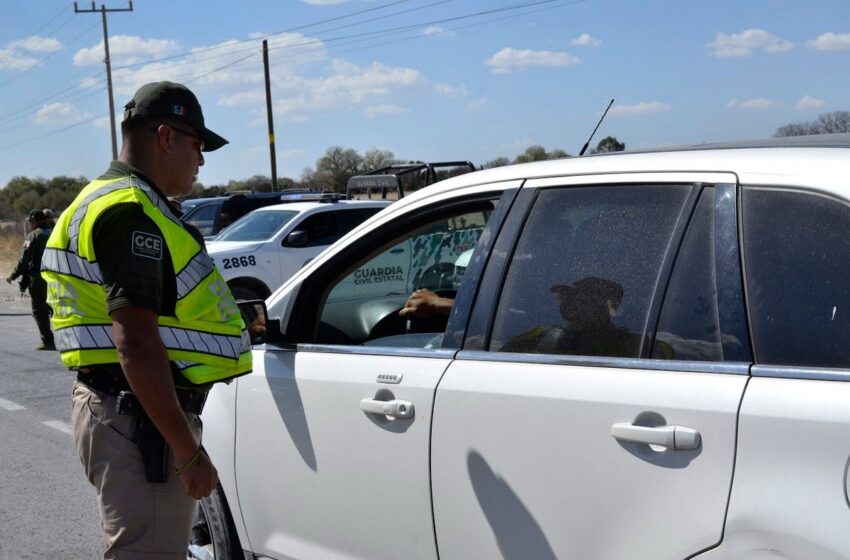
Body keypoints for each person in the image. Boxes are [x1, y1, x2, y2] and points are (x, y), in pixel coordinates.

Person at [40, 81, 252, 559]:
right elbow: (134, 341)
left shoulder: (103, 197)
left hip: (125, 411)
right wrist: (187, 451)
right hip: (141, 422)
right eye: (197, 146)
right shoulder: (131, 212)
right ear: (165, 137)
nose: (201, 161)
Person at [6, 209, 55, 350]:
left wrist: (13, 275)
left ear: (34, 222)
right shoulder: (55, 232)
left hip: (39, 278)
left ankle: (48, 341)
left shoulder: (33, 236)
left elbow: (24, 260)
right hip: (57, 277)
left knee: (40, 311)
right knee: (56, 308)